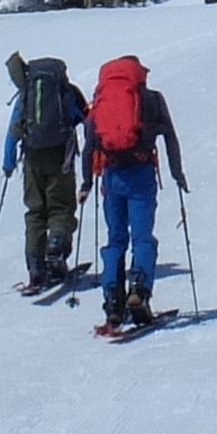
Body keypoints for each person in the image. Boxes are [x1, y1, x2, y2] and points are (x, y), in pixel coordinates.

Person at [81, 54, 188, 332]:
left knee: (115, 240)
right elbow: (170, 137)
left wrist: (86, 183)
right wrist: (177, 174)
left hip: (111, 177)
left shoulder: (101, 102)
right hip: (141, 175)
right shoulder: (152, 99)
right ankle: (139, 292)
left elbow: (89, 145)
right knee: (142, 238)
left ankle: (113, 304)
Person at [3, 52, 87, 290]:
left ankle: (35, 268)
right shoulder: (68, 92)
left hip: (32, 157)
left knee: (36, 211)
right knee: (61, 206)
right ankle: (57, 246)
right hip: (61, 157)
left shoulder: (26, 95)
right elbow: (87, 119)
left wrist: (8, 164)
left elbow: (12, 132)